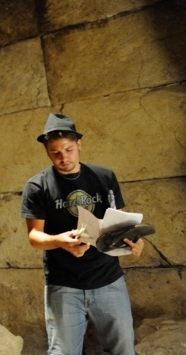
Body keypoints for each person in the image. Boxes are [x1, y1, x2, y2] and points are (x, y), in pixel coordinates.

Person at [20, 113, 143, 355]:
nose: (63, 157)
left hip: (109, 280)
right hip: (63, 284)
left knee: (123, 350)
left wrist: (134, 242)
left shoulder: (104, 177)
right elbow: (34, 236)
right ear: (47, 151)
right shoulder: (37, 186)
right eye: (55, 152)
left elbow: (120, 224)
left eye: (68, 149)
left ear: (79, 144)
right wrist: (60, 241)